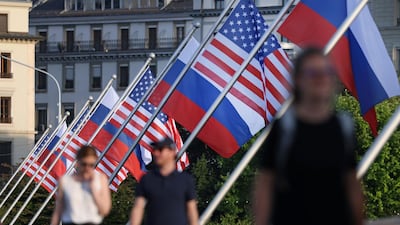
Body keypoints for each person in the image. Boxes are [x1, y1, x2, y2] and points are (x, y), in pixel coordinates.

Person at [253, 47, 364, 225]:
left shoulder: (344, 126)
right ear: (298, 80)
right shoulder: (283, 128)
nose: (320, 78)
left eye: (326, 72)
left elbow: (352, 183)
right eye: (312, 73)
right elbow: (266, 184)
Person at [129, 137, 199, 225]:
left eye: (160, 150)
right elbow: (138, 208)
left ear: (172, 152)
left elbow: (192, 210)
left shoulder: (185, 180)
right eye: (155, 150)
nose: (156, 153)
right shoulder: (147, 179)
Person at [51, 145, 111, 225]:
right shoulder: (65, 180)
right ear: (77, 162)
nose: (87, 168)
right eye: (84, 164)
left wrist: (94, 191)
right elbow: (58, 210)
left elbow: (105, 210)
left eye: (91, 165)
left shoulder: (100, 179)